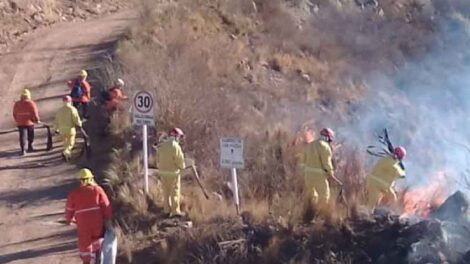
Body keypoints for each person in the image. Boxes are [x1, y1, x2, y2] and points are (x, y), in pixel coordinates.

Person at [65, 168, 112, 264]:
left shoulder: (74, 194)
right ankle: (97, 257)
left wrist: (69, 219)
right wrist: (108, 217)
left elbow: (69, 209)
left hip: (82, 223)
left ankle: (87, 261)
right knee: (98, 239)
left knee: (84, 243)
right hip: (97, 222)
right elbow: (106, 205)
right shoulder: (97, 190)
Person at [300, 128, 343, 210]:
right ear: (328, 138)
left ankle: (310, 211)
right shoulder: (325, 147)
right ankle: (320, 213)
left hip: (307, 175)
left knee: (311, 195)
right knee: (324, 195)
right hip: (319, 176)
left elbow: (302, 161)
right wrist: (331, 174)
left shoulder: (310, 145)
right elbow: (326, 163)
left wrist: (304, 172)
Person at [155, 128, 186, 217]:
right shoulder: (175, 147)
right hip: (173, 173)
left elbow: (157, 159)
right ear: (176, 136)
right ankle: (175, 211)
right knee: (175, 192)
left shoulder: (162, 145)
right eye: (179, 137)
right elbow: (180, 161)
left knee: (166, 192)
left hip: (163, 173)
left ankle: (166, 210)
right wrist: (182, 167)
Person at [54, 96, 82, 161]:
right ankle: (66, 152)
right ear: (70, 101)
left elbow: (56, 120)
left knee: (65, 144)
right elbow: (76, 119)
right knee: (70, 143)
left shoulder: (60, 110)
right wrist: (79, 124)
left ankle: (67, 156)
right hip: (70, 130)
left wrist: (56, 129)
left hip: (62, 130)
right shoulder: (72, 109)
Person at [12, 89, 40, 155]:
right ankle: (30, 146)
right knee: (30, 135)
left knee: (22, 136)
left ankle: (23, 150)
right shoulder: (31, 103)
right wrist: (37, 120)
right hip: (29, 122)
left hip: (20, 123)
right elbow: (35, 113)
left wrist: (17, 120)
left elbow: (14, 113)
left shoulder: (17, 104)